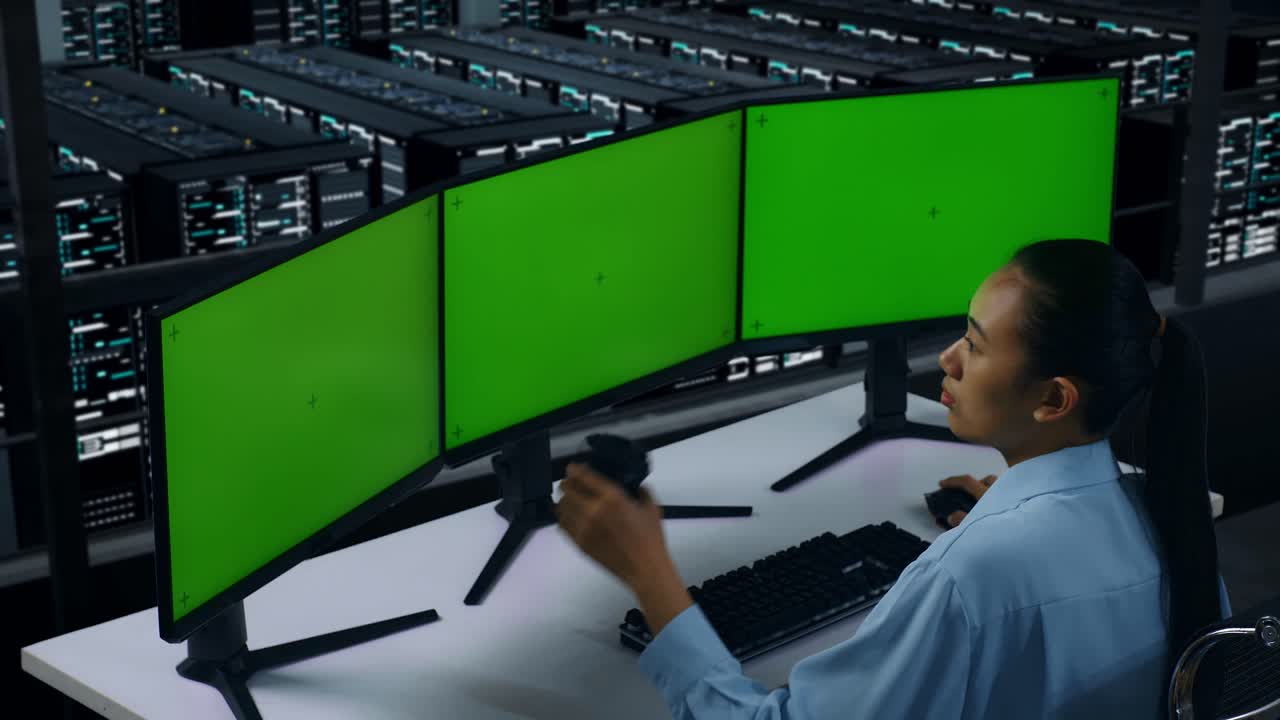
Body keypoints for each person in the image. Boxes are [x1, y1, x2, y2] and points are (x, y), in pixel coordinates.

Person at [555, 239, 1231, 719]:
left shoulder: (973, 573)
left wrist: (651, 577)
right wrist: (1006, 521)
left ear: (1053, 400)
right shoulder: (1165, 516)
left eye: (976, 343)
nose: (949, 359)